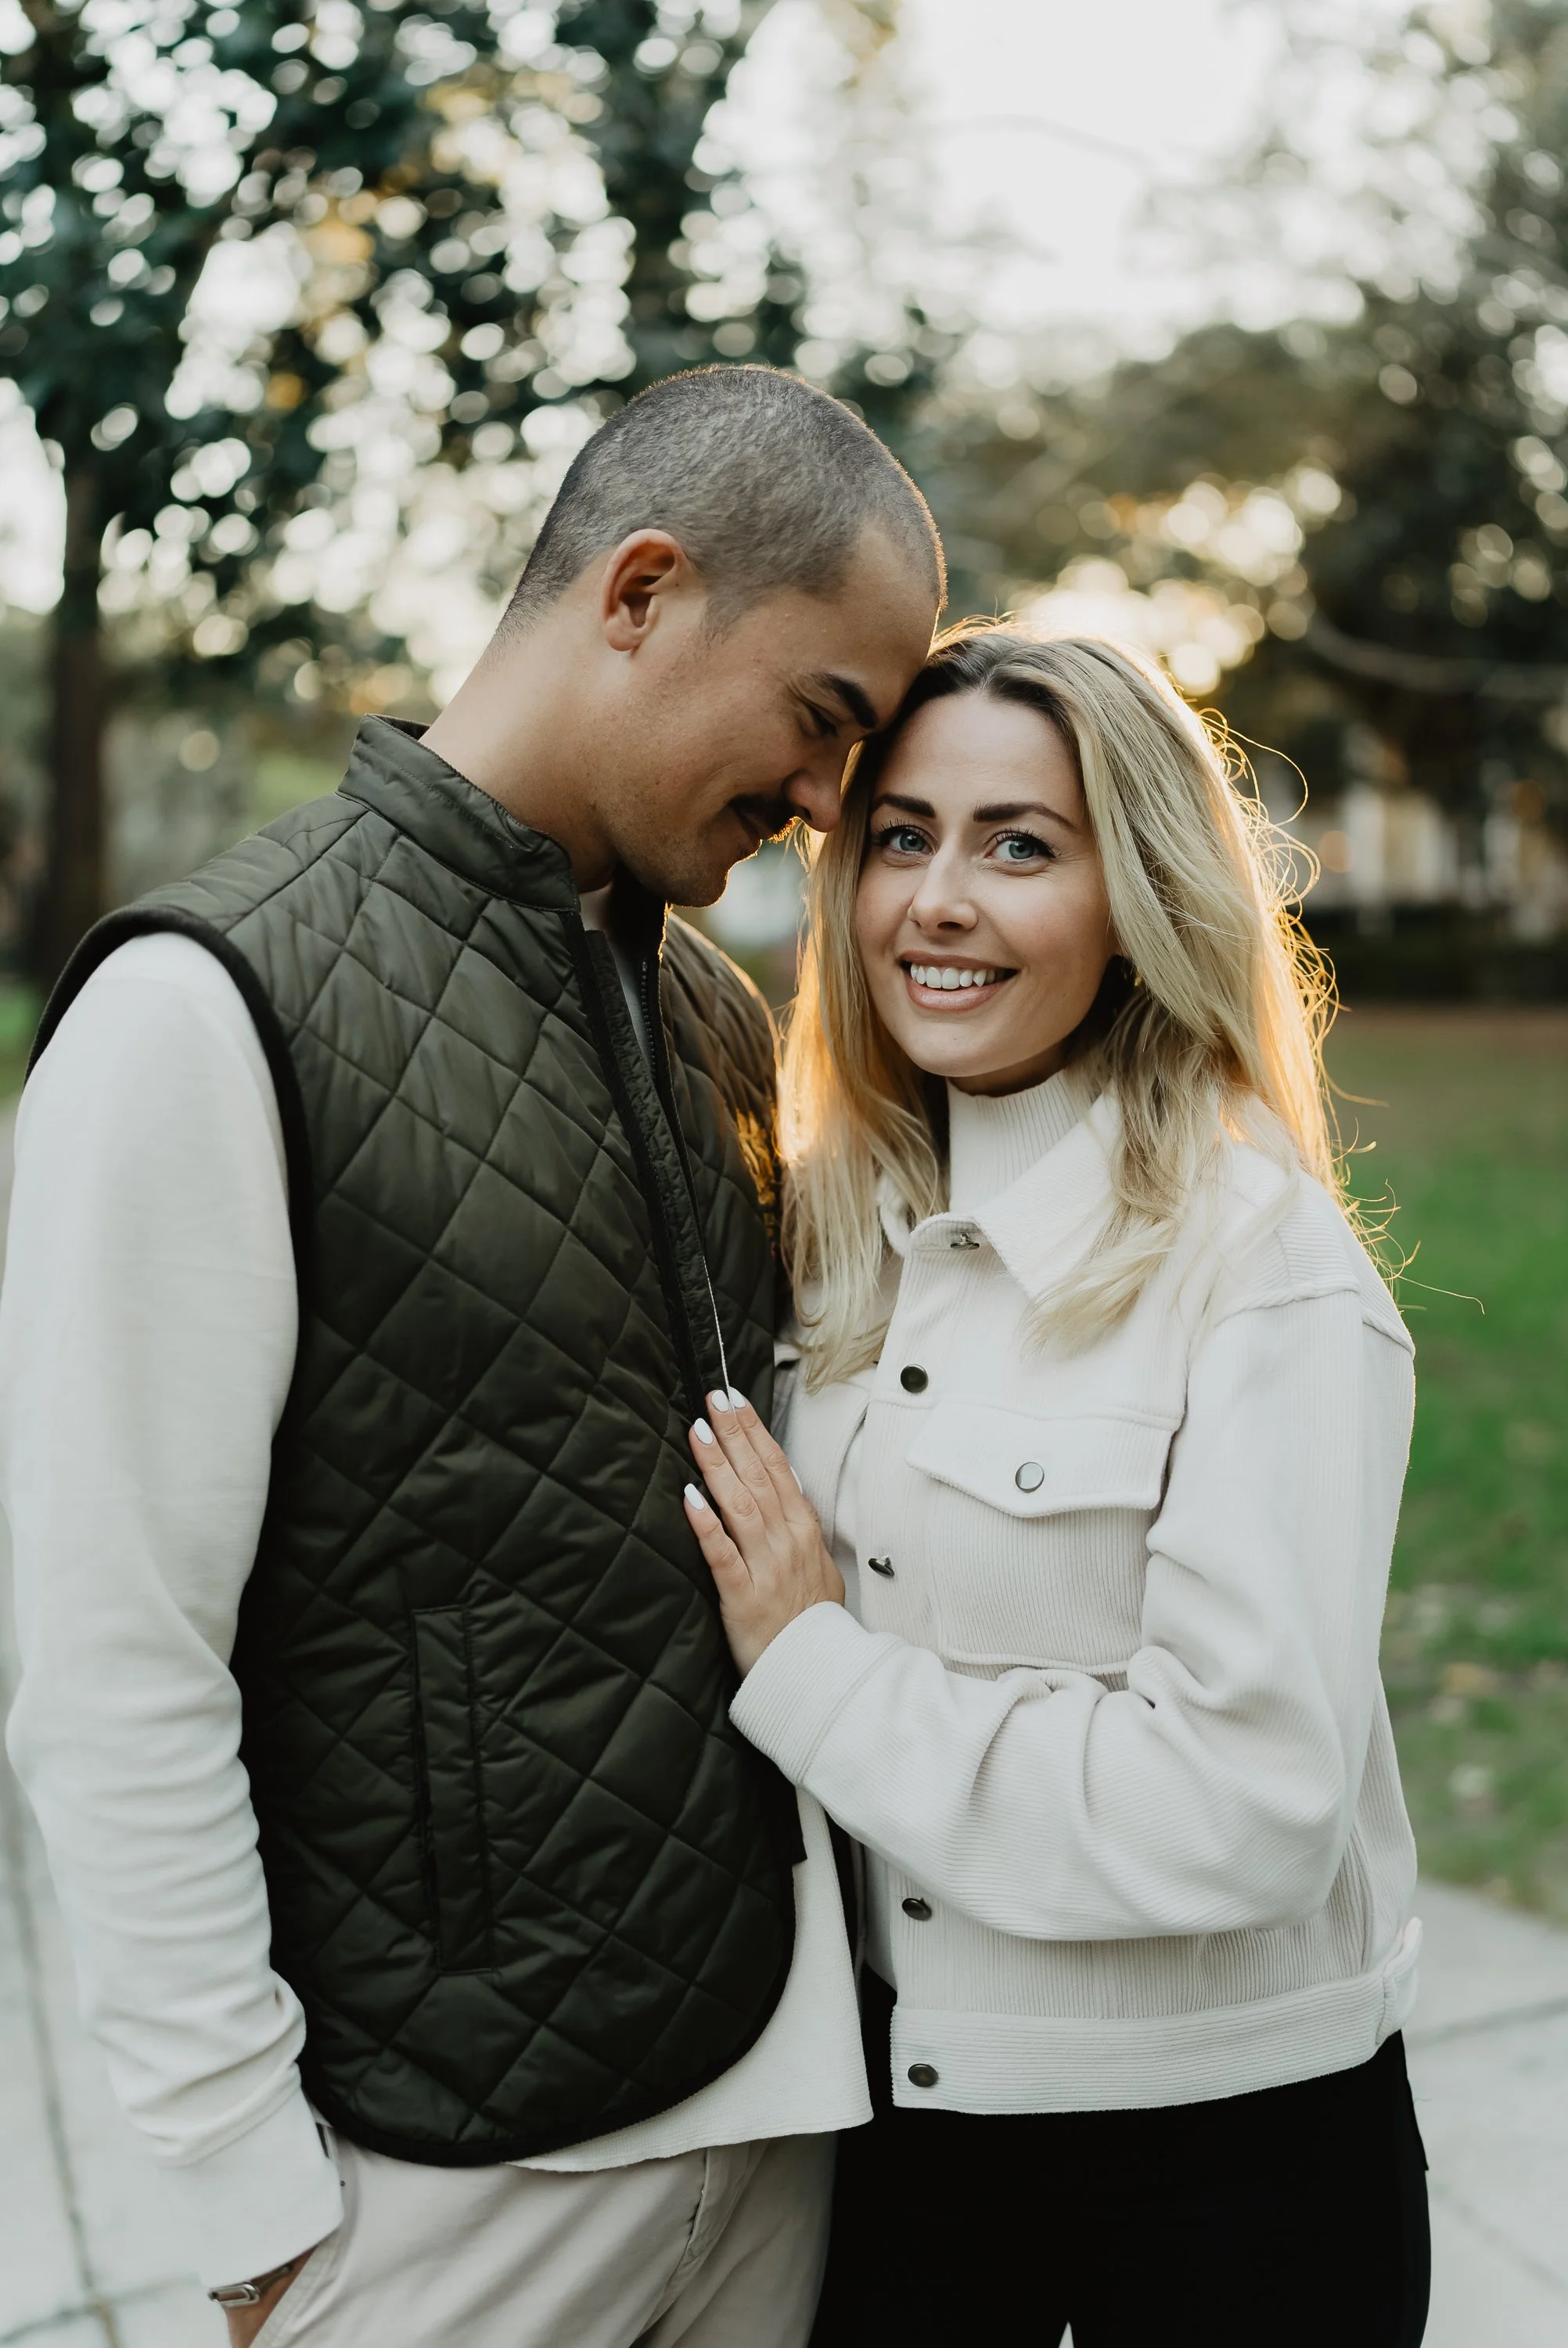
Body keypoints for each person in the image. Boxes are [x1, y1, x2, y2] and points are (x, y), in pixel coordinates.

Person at [0, 365, 942, 2348]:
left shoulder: (705, 1008)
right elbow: (109, 1657)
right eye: (820, 721)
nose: (827, 807)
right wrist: (250, 2201)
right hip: (444, 2184)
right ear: (643, 592)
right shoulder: (202, 1004)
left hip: (774, 2122)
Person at [681, 625, 1431, 2348]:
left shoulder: (1261, 1270)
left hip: (1229, 2179)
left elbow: (1244, 1799)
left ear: (1138, 896)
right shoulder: (829, 1239)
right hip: (901, 2147)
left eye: (1021, 844)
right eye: (901, 837)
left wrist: (817, 1677)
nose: (939, 899)